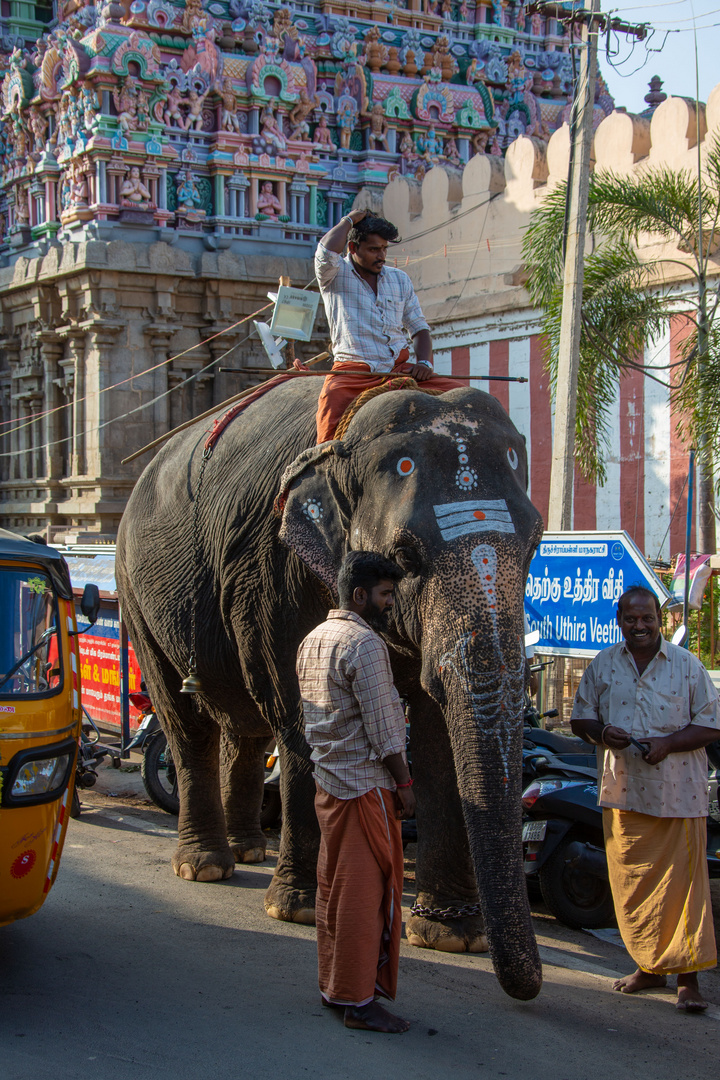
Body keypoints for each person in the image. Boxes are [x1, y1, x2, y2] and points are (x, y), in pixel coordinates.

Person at [571, 585, 720, 1011]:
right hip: (624, 793)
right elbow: (581, 716)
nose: (640, 626)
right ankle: (649, 968)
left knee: (685, 891)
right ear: (619, 620)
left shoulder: (687, 666)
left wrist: (669, 743)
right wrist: (602, 733)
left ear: (661, 620)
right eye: (631, 619)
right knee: (632, 887)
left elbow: (711, 724)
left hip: (678, 797)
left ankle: (688, 980)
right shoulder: (603, 665)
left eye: (647, 618)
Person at [296, 551, 415, 1033]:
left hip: (329, 782)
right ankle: (358, 1001)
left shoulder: (314, 638)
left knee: (333, 890)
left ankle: (335, 985)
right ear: (360, 594)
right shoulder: (365, 645)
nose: (389, 604)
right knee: (365, 896)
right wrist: (405, 785)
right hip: (365, 787)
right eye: (385, 595)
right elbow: (386, 730)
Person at [313, 209, 466, 443]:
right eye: (374, 249)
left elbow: (419, 328)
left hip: (400, 369)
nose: (381, 255)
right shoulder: (334, 275)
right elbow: (325, 251)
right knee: (329, 425)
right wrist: (350, 220)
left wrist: (424, 363)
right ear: (352, 248)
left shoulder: (399, 279)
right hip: (353, 374)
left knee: (464, 397)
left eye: (384, 248)